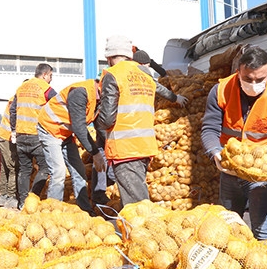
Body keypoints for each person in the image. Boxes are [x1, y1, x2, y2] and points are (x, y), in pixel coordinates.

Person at [201, 45, 267, 243]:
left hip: (262, 176)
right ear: (238, 71)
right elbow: (209, 129)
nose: (253, 83)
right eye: (247, 78)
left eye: (260, 79)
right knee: (227, 227)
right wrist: (215, 153)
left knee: (262, 230)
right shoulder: (221, 91)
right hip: (230, 170)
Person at [95, 35, 159, 207]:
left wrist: (97, 119)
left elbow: (107, 119)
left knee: (137, 208)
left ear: (109, 58)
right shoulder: (146, 74)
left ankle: (143, 234)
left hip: (125, 150)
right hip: (145, 146)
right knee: (138, 199)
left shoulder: (113, 75)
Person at [37, 79, 106, 216]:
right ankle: (52, 213)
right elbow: (79, 128)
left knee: (79, 171)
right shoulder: (80, 92)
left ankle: (85, 210)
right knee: (58, 172)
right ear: (102, 86)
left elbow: (99, 125)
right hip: (50, 129)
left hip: (65, 133)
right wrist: (95, 153)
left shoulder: (98, 99)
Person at [10, 63, 56, 209]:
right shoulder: (45, 88)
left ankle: (22, 202)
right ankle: (33, 197)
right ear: (44, 75)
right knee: (45, 168)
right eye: (50, 76)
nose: (51, 79)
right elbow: (58, 106)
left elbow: (13, 110)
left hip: (21, 136)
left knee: (24, 170)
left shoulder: (21, 87)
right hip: (37, 136)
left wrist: (13, 130)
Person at [0, 96, 19, 208]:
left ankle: (3, 196)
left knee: (5, 168)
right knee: (12, 167)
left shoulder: (14, 99)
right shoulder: (17, 100)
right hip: (7, 138)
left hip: (3, 136)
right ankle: (11, 197)